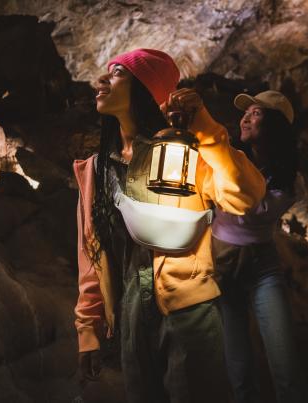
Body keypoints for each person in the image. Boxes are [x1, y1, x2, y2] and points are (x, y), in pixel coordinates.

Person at [72, 48, 266, 403]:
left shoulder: (182, 155)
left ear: (145, 89)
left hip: (187, 311)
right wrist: (89, 327)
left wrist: (206, 130)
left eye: (117, 73)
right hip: (129, 315)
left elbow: (245, 196)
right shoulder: (98, 169)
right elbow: (92, 250)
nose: (101, 79)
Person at [211, 90, 308, 403]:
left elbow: (248, 207)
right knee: (237, 361)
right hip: (223, 260)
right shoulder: (227, 157)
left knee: (284, 358)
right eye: (246, 112)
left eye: (256, 114)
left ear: (275, 127)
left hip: (261, 264)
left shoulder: (288, 180)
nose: (245, 118)